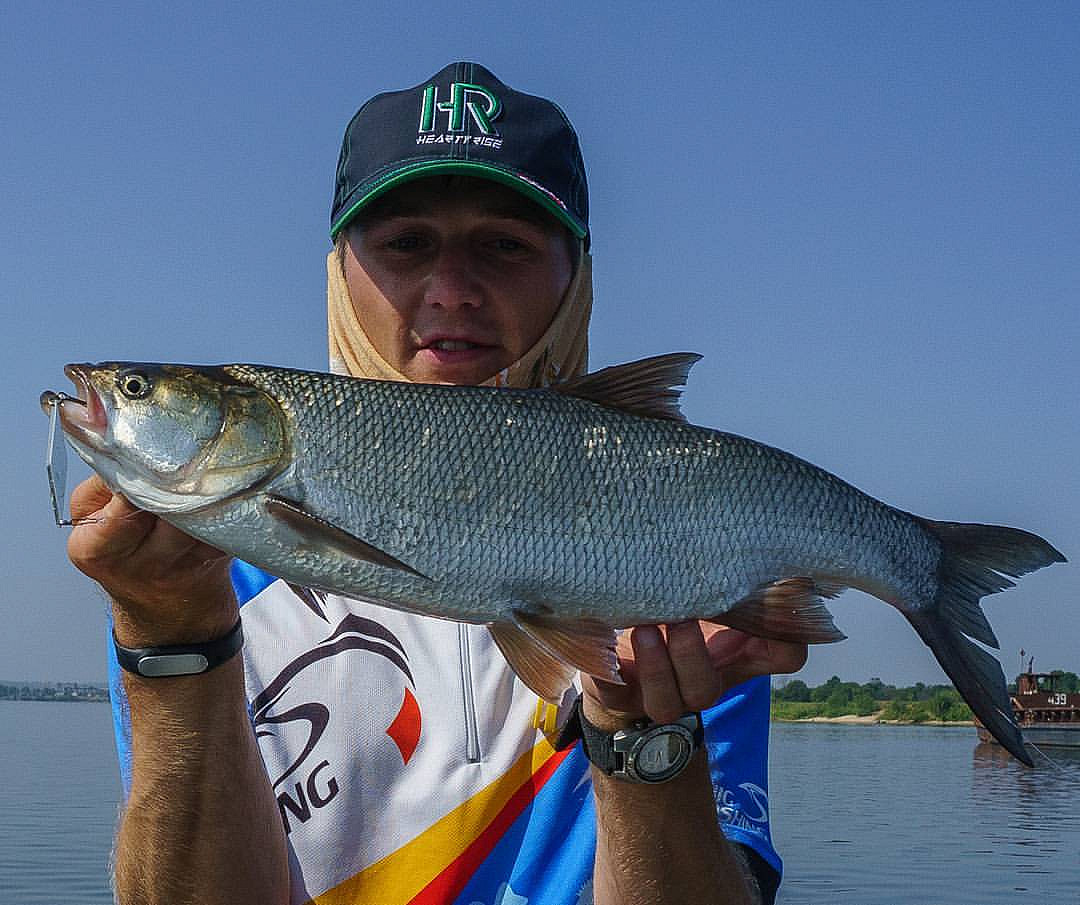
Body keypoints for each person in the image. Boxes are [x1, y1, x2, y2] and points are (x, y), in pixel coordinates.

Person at [67, 62, 807, 905]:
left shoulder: (667, 558)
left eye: (506, 245)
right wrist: (176, 642)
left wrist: (640, 736)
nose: (452, 291)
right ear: (339, 272)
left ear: (579, 279)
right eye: (406, 244)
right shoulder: (192, 571)